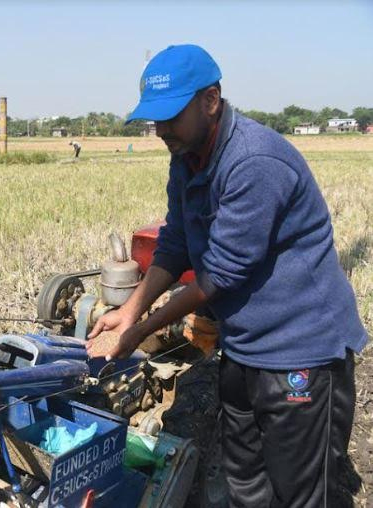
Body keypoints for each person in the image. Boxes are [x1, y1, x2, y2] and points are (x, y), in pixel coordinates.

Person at [86, 44, 367, 507]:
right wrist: (130, 308)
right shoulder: (187, 156)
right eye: (153, 120)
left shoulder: (255, 162)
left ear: (211, 100)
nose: (159, 131)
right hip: (243, 349)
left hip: (302, 355)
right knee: (246, 485)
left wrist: (137, 332)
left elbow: (218, 276)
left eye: (170, 117)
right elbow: (177, 242)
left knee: (302, 493)